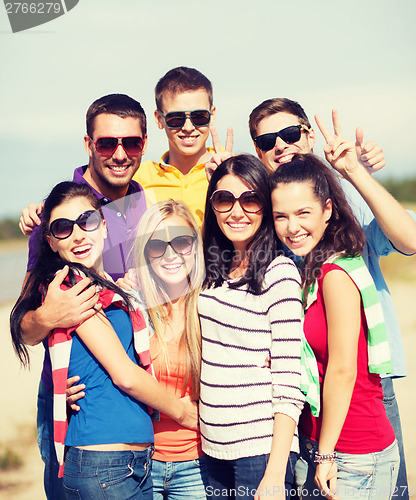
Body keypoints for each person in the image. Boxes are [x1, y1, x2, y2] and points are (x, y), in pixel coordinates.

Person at [249, 99, 416, 498]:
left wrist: (355, 171)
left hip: (366, 387)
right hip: (300, 396)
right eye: (267, 140)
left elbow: (408, 240)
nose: (281, 145)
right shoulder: (267, 217)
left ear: (308, 134)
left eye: (290, 133)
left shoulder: (343, 202)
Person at [10, 182, 198, 499]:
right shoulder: (70, 287)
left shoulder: (107, 285)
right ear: (51, 242)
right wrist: (182, 412)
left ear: (105, 225)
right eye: (63, 228)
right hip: (105, 464)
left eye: (88, 221)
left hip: (122, 463)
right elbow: (125, 374)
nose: (79, 234)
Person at [18, 93, 149, 499]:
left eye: (131, 142)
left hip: (135, 402)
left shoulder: (146, 201)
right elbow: (24, 324)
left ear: (145, 142)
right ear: (89, 144)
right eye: (107, 143)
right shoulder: (58, 213)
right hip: (76, 402)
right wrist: (49, 317)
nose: (120, 153)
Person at [270, 153, 400, 499]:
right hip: (325, 444)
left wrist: (325, 453)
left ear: (328, 209)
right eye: (280, 216)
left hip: (354, 452)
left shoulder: (336, 273)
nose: (291, 227)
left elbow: (343, 369)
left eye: (303, 213)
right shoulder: (310, 270)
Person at [199, 154, 305, 499]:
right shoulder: (210, 269)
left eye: (250, 199)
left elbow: (290, 382)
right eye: (224, 199)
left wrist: (275, 473)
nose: (237, 211)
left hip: (259, 453)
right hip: (212, 450)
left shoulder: (280, 274)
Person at [129, 199, 208, 499]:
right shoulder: (132, 309)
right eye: (157, 246)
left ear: (196, 246)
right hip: (138, 464)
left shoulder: (213, 306)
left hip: (196, 465)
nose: (171, 254)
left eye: (182, 242)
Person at [135, 66, 224, 226]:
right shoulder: (139, 179)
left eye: (199, 117)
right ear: (158, 119)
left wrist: (231, 178)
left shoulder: (233, 170)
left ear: (212, 115)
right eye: (176, 118)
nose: (188, 127)